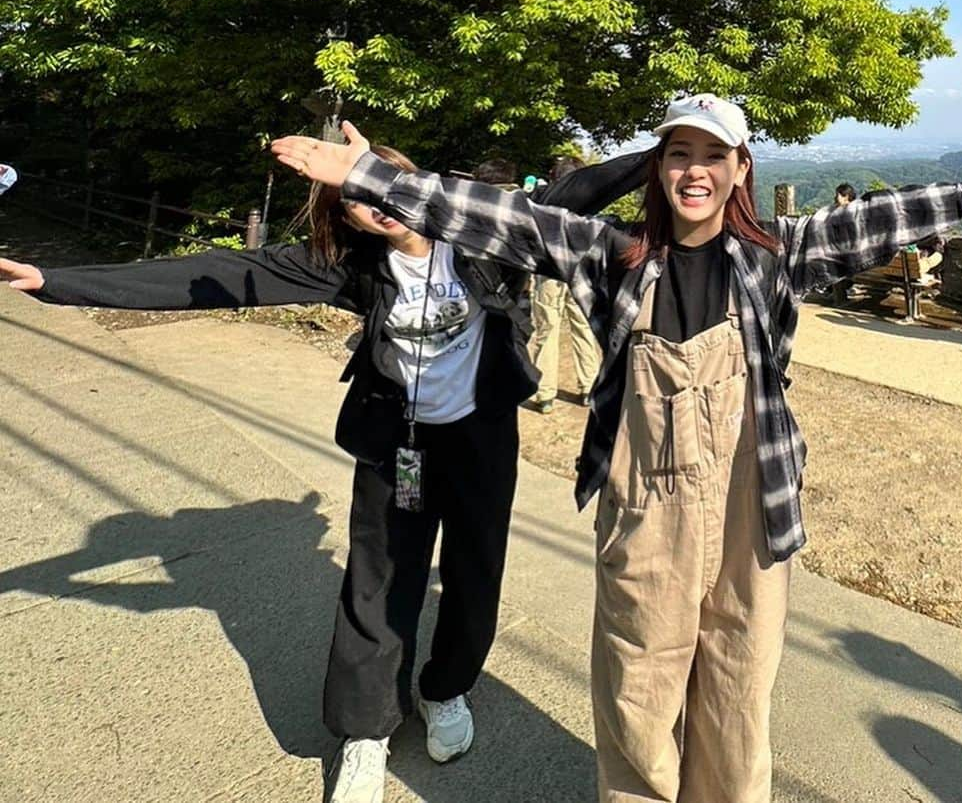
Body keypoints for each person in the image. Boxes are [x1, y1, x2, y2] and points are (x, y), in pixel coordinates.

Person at [271, 97, 962, 803]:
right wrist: (372, 179)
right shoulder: (612, 256)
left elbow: (871, 223)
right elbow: (504, 219)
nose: (695, 171)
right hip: (644, 505)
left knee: (737, 680)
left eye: (713, 156)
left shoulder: (774, 256)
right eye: (678, 155)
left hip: (752, 501)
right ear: (657, 170)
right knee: (638, 680)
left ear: (740, 167)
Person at [0, 143, 643, 803]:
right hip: (403, 447)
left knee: (476, 570)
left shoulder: (483, 233)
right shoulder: (349, 265)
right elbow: (222, 272)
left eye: (379, 187)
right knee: (380, 578)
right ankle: (365, 731)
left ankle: (445, 689)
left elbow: (580, 193)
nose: (371, 207)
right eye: (353, 201)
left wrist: (675, 149)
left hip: (481, 440)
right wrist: (59, 283)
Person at [530, 155, 603, 413]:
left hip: (549, 272)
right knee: (583, 327)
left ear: (554, 176)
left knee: (546, 331)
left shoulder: (544, 201)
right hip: (581, 272)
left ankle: (545, 393)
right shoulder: (590, 200)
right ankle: (588, 387)